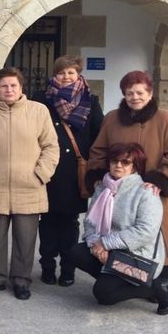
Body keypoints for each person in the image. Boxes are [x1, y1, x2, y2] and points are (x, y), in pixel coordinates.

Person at [86, 70, 168, 315]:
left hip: (153, 190)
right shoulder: (112, 119)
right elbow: (98, 150)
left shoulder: (166, 119)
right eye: (129, 93)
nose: (135, 97)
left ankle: (161, 284)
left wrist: (160, 179)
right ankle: (124, 279)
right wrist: (98, 176)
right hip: (120, 191)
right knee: (119, 233)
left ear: (150, 93)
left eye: (140, 92)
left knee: (160, 237)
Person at [0, 68, 59, 300]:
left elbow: (50, 146)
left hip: (29, 185)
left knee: (25, 238)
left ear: (21, 87)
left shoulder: (38, 111)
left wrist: (41, 174)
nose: (9, 90)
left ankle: (21, 280)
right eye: (4, 86)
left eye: (13, 85)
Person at [70, 143, 167, 312]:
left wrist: (105, 243)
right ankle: (112, 277)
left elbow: (146, 231)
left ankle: (157, 287)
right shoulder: (103, 187)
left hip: (136, 254)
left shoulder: (145, 191)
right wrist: (96, 245)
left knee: (103, 295)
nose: (118, 165)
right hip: (109, 249)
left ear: (135, 166)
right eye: (114, 161)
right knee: (76, 253)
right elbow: (90, 221)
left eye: (125, 162)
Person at [33, 56, 103, 287]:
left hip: (75, 172)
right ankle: (47, 266)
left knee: (70, 223)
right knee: (47, 221)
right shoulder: (41, 98)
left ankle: (68, 268)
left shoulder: (90, 100)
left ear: (78, 75)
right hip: (48, 169)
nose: (66, 77)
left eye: (71, 72)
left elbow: (98, 135)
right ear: (55, 75)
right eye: (61, 73)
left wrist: (96, 169)